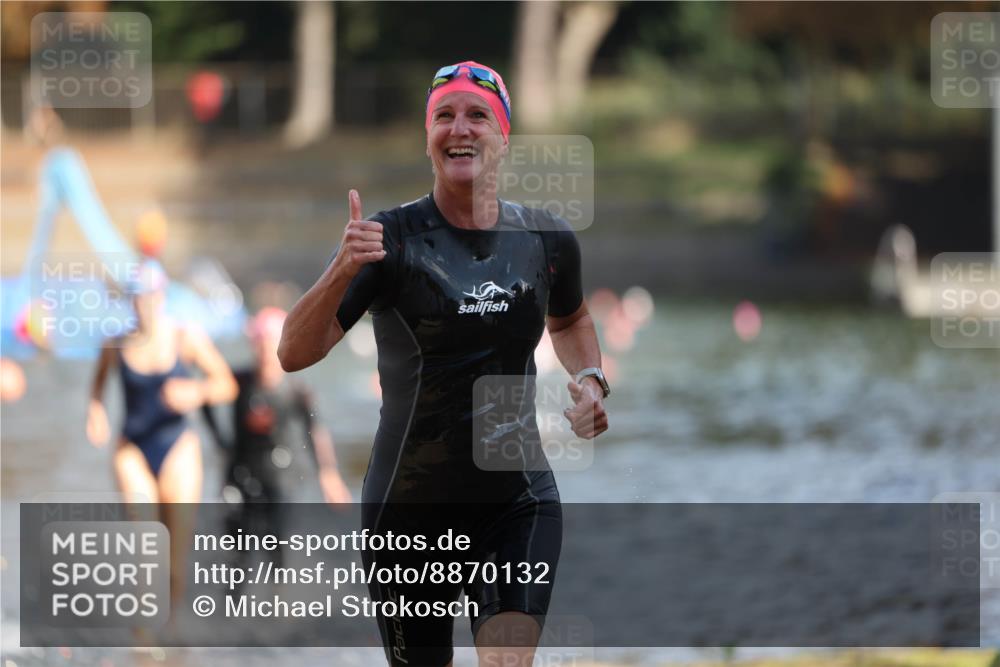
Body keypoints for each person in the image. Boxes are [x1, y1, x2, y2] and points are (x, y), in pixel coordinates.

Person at [278, 61, 609, 667]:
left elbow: (571, 321)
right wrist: (341, 270)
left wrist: (589, 378)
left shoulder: (548, 240)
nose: (460, 129)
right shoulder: (387, 241)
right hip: (409, 508)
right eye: (444, 116)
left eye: (478, 115)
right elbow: (293, 353)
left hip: (516, 499)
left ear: (503, 135)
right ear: (427, 136)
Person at [87, 259, 238, 607]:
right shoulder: (116, 343)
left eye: (150, 297)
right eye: (137, 298)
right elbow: (97, 388)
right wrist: (96, 413)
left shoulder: (186, 338)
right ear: (130, 301)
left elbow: (227, 385)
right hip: (132, 447)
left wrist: (196, 392)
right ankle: (143, 632)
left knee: (175, 557)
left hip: (178, 448)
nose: (144, 305)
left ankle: (172, 631)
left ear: (163, 296)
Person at [202, 307, 351, 577]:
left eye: (270, 344)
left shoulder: (296, 390)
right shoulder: (237, 381)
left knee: (276, 543)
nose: (264, 352)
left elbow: (315, 430)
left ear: (282, 345)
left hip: (282, 475)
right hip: (240, 471)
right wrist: (220, 442)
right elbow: (206, 399)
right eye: (259, 344)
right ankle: (233, 596)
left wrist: (329, 475)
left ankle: (278, 592)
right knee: (237, 548)